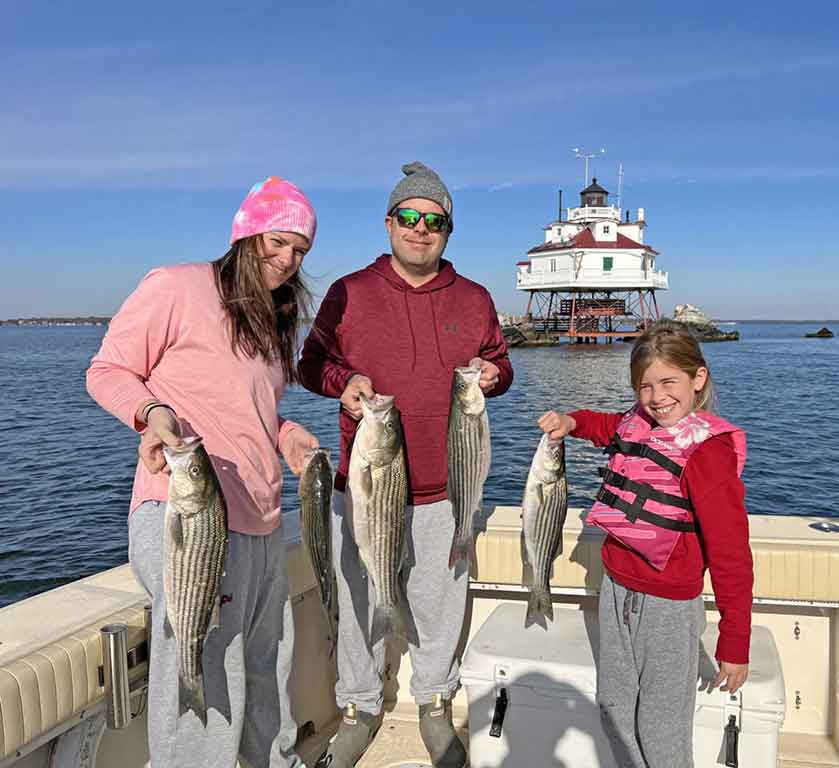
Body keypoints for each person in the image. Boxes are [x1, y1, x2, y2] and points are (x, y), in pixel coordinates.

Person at [86, 177, 321, 768]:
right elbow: (108, 370)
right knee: (207, 672)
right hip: (185, 514)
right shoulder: (176, 286)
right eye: (277, 242)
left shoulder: (273, 319)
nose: (287, 259)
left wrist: (286, 435)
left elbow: (249, 412)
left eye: (299, 250)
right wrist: (152, 412)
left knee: (269, 668)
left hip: (264, 521)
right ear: (245, 235)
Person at [298, 161, 513, 768]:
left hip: (446, 492)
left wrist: (495, 375)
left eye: (435, 220)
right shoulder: (348, 291)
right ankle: (361, 706)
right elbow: (309, 364)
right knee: (362, 599)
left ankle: (435, 704)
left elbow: (500, 362)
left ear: (449, 230)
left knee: (440, 605)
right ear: (389, 223)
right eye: (410, 217)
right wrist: (342, 382)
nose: (421, 229)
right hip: (364, 488)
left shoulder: (473, 298)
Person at [537, 319, 753, 768]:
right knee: (614, 707)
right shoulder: (637, 422)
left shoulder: (707, 453)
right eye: (644, 387)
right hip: (617, 590)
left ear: (698, 379)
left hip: (669, 608)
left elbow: (732, 554)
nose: (656, 398)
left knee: (661, 725)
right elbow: (606, 426)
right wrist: (570, 421)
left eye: (669, 382)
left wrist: (735, 641)